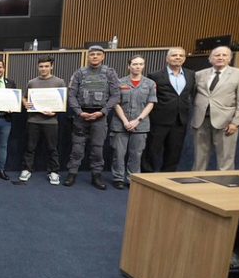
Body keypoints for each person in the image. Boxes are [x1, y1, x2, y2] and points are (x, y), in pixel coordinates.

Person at [63, 45, 120, 190]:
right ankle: (72, 173)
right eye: (92, 54)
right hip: (81, 117)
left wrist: (103, 111)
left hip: (99, 117)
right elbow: (71, 95)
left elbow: (115, 96)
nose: (94, 56)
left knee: (97, 149)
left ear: (103, 57)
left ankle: (96, 175)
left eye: (97, 54)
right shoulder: (79, 73)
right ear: (88, 56)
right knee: (77, 148)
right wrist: (79, 112)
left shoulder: (110, 73)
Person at [191, 46, 239, 171]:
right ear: (210, 58)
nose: (220, 58)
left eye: (224, 55)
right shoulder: (199, 74)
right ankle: (195, 183)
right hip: (201, 120)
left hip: (226, 122)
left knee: (225, 158)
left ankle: (225, 185)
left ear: (230, 58)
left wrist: (236, 123)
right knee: (199, 158)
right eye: (217, 55)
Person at [143, 47, 195, 172]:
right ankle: (147, 176)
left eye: (181, 55)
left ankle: (166, 177)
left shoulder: (191, 75)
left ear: (184, 59)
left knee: (174, 152)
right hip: (159, 119)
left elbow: (192, 94)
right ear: (167, 59)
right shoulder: (154, 75)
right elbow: (149, 98)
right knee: (152, 150)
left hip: (180, 120)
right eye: (174, 55)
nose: (177, 57)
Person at [109, 56, 157, 189]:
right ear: (128, 66)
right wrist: (125, 121)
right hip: (120, 124)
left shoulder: (150, 84)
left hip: (140, 125)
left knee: (136, 154)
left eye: (140, 64)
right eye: (135, 64)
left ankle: (132, 179)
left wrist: (138, 120)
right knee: (118, 153)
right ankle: (118, 178)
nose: (137, 66)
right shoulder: (119, 83)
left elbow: (151, 103)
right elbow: (115, 103)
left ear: (143, 66)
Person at [19, 57, 66, 185]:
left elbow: (63, 102)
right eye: (41, 66)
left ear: (51, 67)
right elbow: (24, 97)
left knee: (52, 148)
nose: (43, 69)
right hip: (33, 120)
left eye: (46, 66)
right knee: (30, 147)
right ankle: (27, 169)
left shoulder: (59, 82)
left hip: (51, 122)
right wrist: (25, 103)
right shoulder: (32, 82)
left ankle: (54, 172)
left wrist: (55, 111)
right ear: (38, 67)